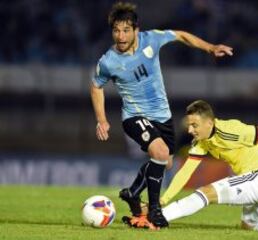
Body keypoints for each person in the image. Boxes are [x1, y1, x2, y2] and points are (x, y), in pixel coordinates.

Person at [90, 2, 233, 229]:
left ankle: (133, 192)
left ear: (136, 30)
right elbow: (96, 86)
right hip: (134, 116)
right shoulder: (108, 61)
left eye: (126, 30)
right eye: (116, 30)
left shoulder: (152, 39)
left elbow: (180, 36)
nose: (121, 35)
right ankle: (155, 211)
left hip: (162, 115)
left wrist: (209, 47)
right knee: (160, 151)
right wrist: (102, 119)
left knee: (165, 162)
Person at [123, 100, 258, 233]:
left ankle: (155, 220)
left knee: (206, 193)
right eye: (189, 126)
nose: (190, 130)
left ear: (209, 123)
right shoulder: (201, 142)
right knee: (250, 225)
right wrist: (163, 200)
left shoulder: (230, 130)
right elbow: (185, 172)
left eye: (194, 125)